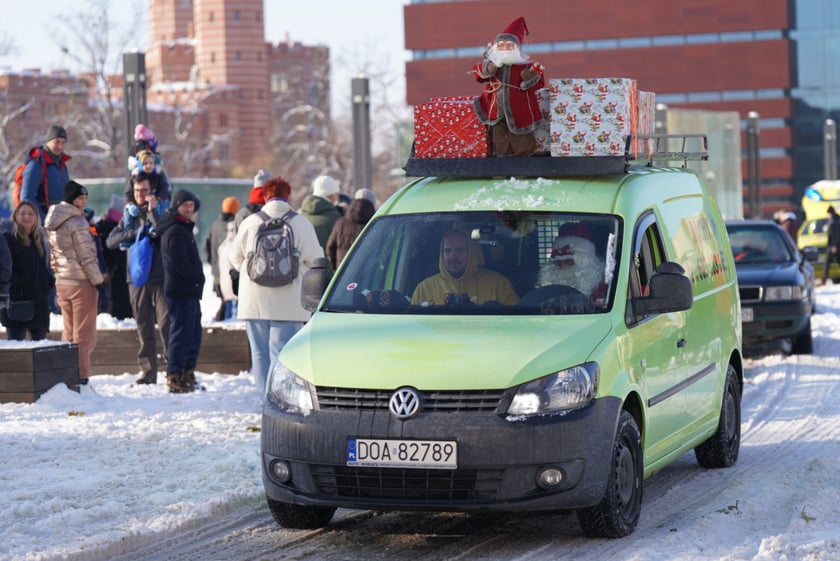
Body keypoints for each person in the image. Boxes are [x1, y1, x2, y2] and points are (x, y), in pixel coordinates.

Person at [229, 176, 323, 393]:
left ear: (265, 196)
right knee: (282, 354)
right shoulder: (301, 223)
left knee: (260, 354)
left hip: (254, 301)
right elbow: (315, 259)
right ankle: (279, 400)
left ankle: (263, 401)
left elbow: (235, 257)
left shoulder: (251, 222)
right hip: (289, 301)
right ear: (288, 196)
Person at [107, 172, 171, 385]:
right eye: (137, 191)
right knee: (143, 323)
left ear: (152, 191)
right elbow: (111, 240)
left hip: (160, 274)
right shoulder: (128, 216)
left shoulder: (163, 210)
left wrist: (153, 213)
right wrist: (136, 235)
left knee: (165, 322)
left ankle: (173, 369)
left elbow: (163, 231)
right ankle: (148, 371)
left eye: (144, 191)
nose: (140, 195)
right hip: (136, 276)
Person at [44, 181, 105, 386]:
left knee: (69, 331)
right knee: (84, 334)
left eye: (85, 198)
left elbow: (53, 255)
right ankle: (81, 377)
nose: (83, 202)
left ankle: (66, 374)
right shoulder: (78, 222)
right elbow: (86, 256)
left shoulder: (53, 221)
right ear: (71, 200)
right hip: (81, 282)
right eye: (80, 198)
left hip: (63, 282)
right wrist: (99, 281)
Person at [472, 16, 545, 157]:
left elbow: (539, 84)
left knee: (522, 141)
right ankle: (502, 166)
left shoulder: (527, 66)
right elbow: (478, 74)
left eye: (509, 45)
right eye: (501, 45)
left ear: (516, 48)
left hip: (520, 112)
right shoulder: (493, 64)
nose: (505, 49)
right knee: (500, 141)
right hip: (496, 112)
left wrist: (529, 80)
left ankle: (523, 168)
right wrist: (488, 68)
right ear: (495, 48)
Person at [157, 189, 205, 393]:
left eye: (191, 205)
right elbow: (179, 264)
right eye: (185, 205)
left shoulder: (183, 228)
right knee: (181, 333)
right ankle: (174, 374)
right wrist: (196, 275)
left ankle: (186, 372)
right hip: (181, 290)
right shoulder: (176, 230)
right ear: (177, 206)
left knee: (192, 333)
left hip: (189, 290)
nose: (189, 209)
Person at [411, 229, 519, 306]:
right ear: (441, 254)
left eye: (460, 250)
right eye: (448, 250)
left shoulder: (499, 284)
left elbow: (516, 326)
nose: (452, 256)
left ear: (472, 253)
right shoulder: (424, 289)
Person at [537, 222, 607, 302]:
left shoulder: (604, 294)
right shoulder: (541, 295)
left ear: (585, 263)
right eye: (558, 263)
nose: (563, 267)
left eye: (569, 262)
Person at [20, 125, 71, 219]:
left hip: (59, 223)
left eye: (63, 142)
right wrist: (43, 220)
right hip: (42, 225)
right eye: (57, 141)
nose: (60, 146)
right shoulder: (36, 164)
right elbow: (26, 198)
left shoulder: (62, 165)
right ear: (48, 141)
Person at [206, 196, 240, 320]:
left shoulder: (215, 225)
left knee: (224, 299)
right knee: (232, 299)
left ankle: (221, 320)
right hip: (231, 271)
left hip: (217, 270)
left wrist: (213, 262)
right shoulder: (234, 226)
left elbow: (208, 247)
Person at [325, 197, 375, 270]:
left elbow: (330, 248)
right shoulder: (373, 226)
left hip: (342, 271)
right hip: (366, 270)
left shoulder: (340, 223)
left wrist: (334, 268)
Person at [300, 175, 342, 248]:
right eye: (336, 194)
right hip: (325, 258)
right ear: (329, 195)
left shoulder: (302, 214)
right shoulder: (335, 217)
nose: (337, 198)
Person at [821, 205, 840, 286]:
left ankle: (823, 280)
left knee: (827, 262)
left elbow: (836, 234)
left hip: (834, 245)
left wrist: (834, 245)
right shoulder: (835, 220)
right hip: (834, 245)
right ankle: (823, 279)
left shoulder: (835, 221)